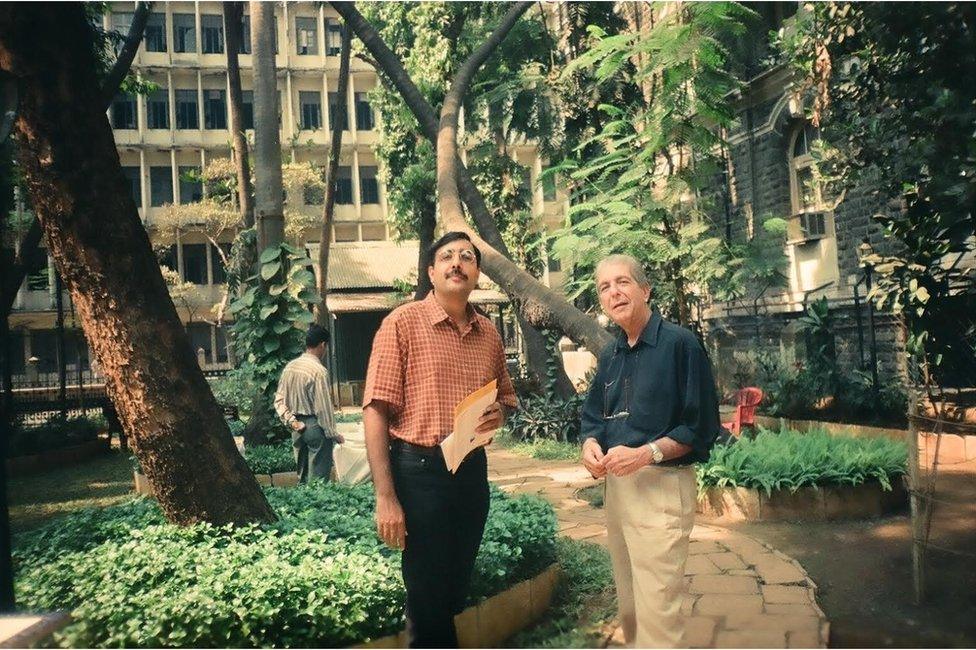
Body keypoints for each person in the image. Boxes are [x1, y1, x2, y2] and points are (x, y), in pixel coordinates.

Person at [362, 231, 517, 648]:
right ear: (431, 272)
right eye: (447, 257)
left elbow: (504, 396)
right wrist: (385, 496)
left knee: (452, 587)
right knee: (427, 594)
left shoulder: (488, 334)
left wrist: (499, 412)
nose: (457, 263)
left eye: (467, 257)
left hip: (470, 472)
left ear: (477, 273)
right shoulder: (402, 322)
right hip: (419, 472)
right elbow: (375, 409)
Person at [580, 254, 720, 648]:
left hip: (661, 487)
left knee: (659, 612)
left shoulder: (681, 344)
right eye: (605, 287)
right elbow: (593, 418)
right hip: (618, 493)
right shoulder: (611, 354)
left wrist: (646, 454)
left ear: (645, 290)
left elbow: (701, 427)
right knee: (632, 610)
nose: (614, 292)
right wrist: (590, 445)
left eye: (622, 282)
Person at [273, 324, 343, 483]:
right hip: (315, 427)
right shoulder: (319, 371)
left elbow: (278, 400)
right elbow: (323, 410)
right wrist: (334, 434)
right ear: (323, 344)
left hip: (296, 427)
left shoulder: (290, 367)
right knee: (318, 482)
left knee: (302, 479)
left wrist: (291, 421)